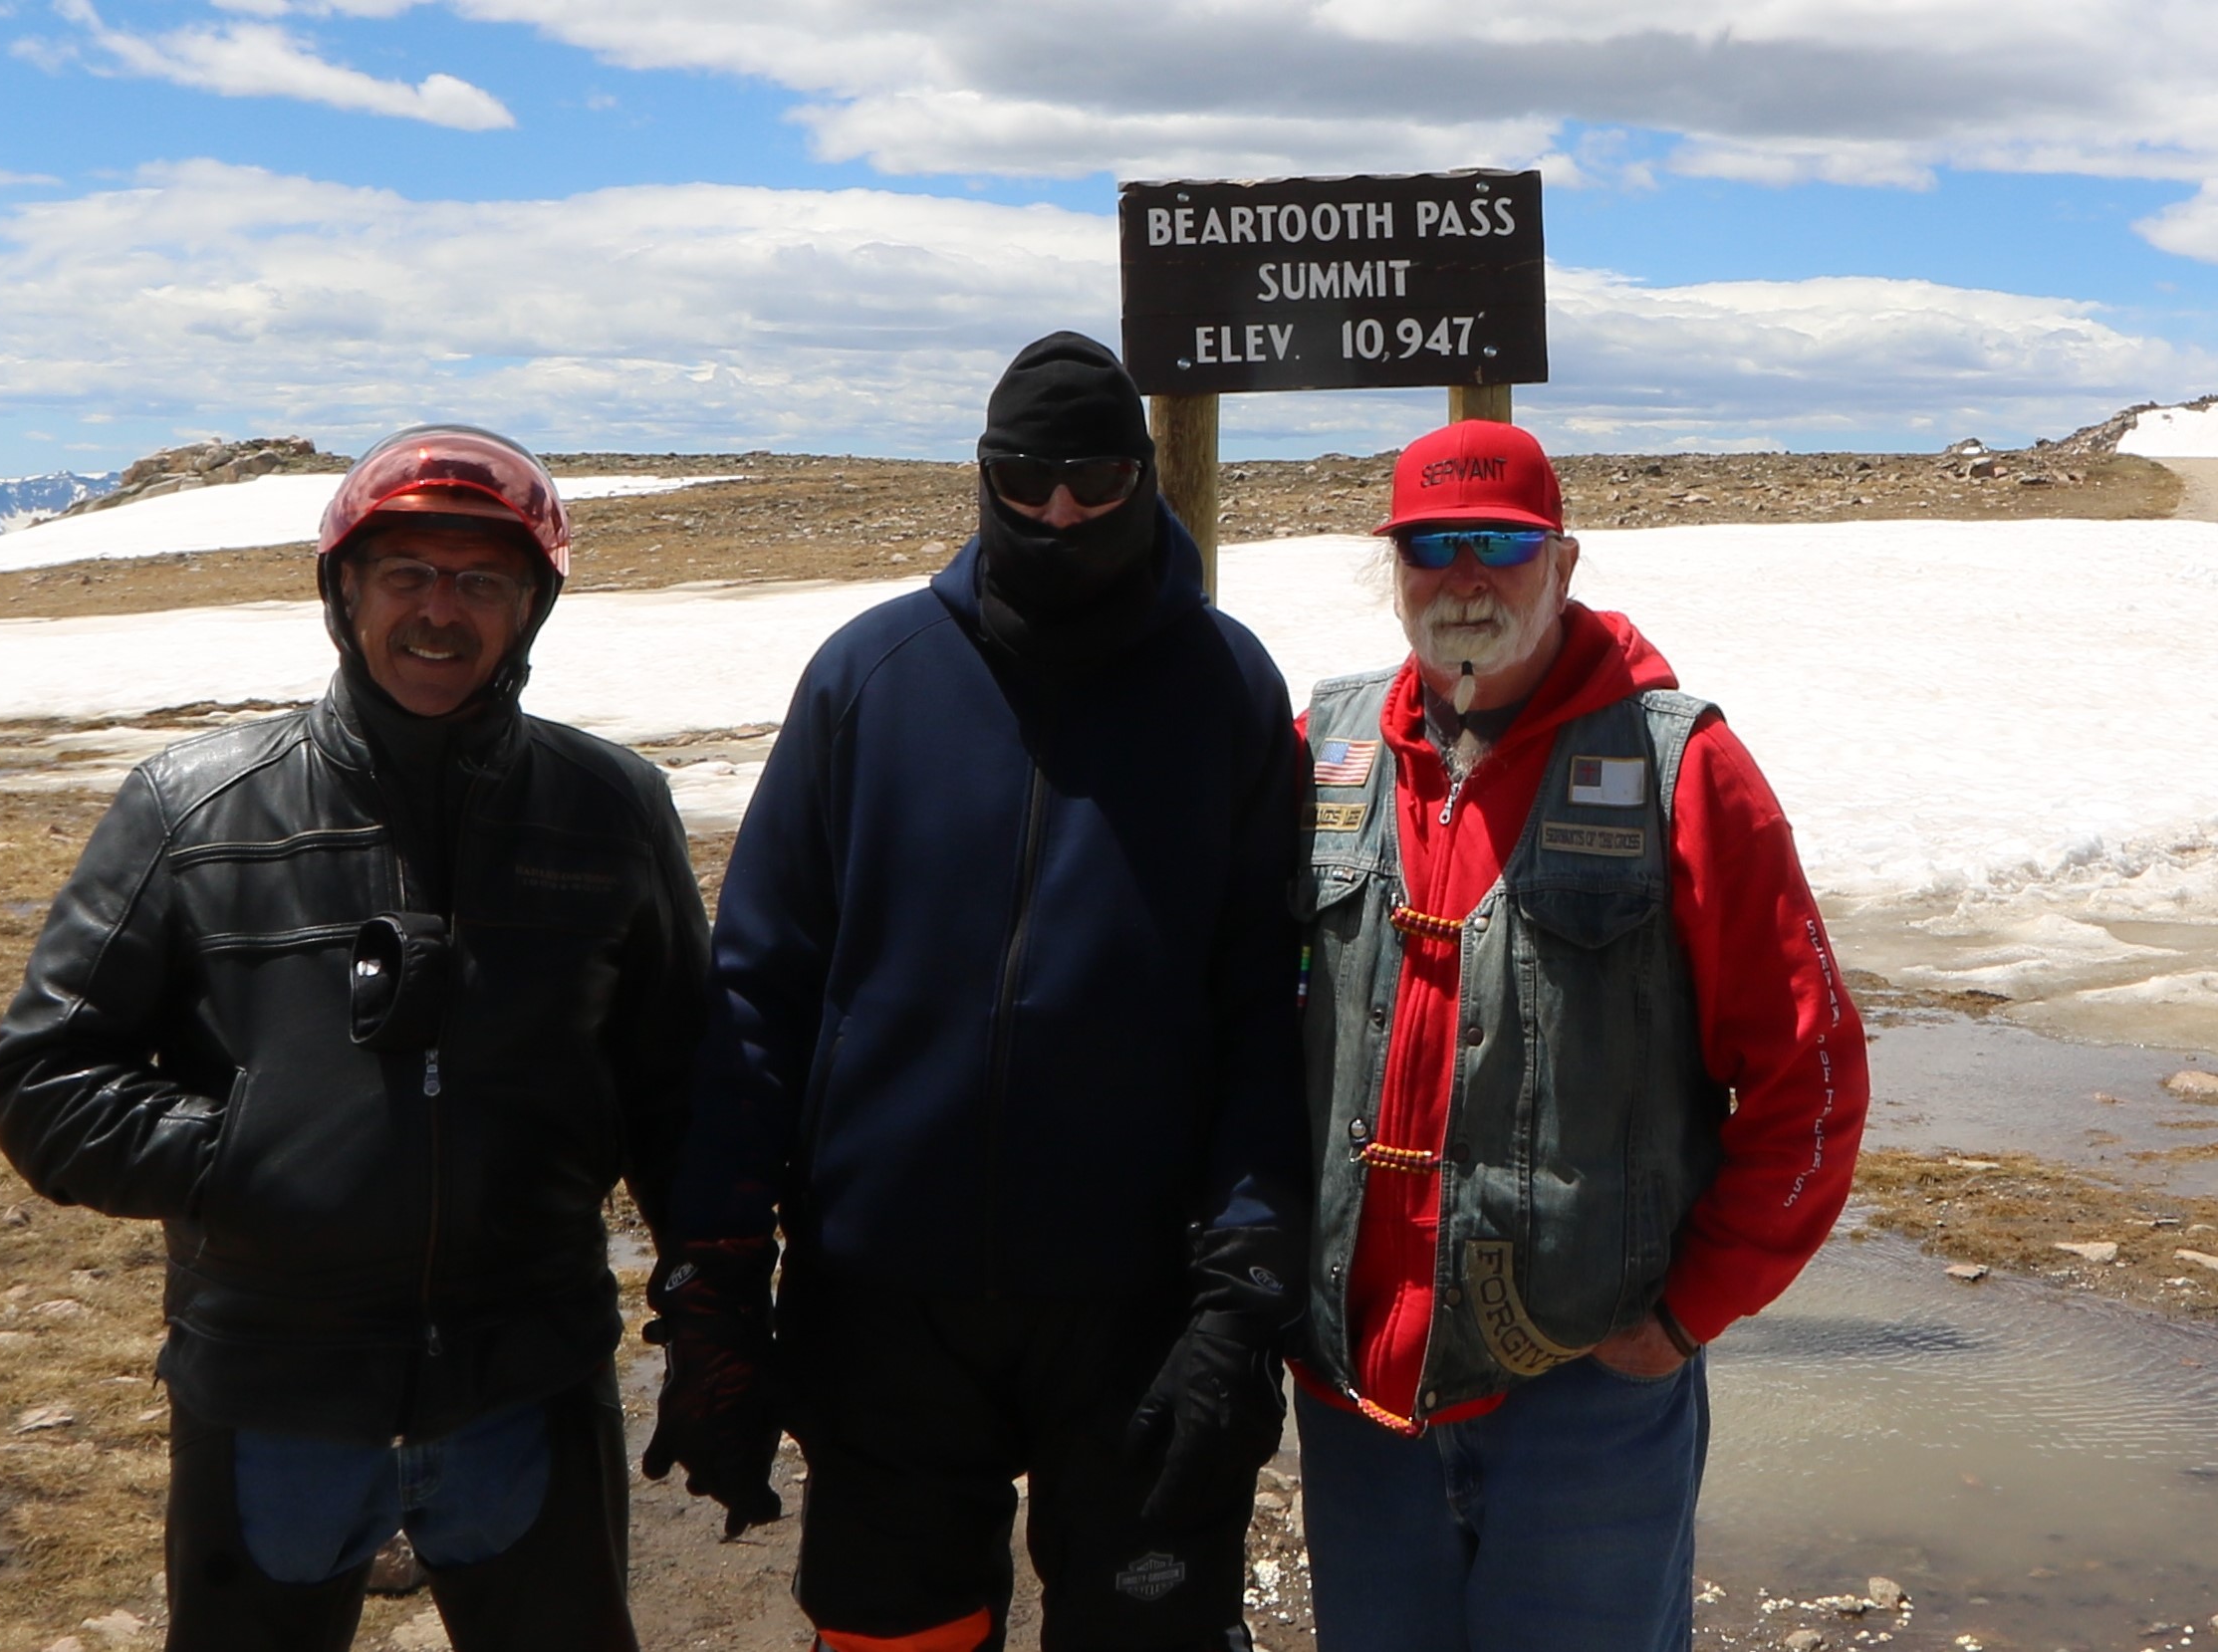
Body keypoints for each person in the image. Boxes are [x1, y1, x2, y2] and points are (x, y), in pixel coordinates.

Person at [0, 424, 708, 1652]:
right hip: (275, 1383)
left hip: (527, 1378)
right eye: (406, 573)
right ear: (345, 592)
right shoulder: (194, 809)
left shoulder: (608, 808)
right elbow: (41, 1078)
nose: (440, 611)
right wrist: (242, 1154)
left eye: (481, 581)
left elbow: (677, 1085)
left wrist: (712, 1298)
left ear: (531, 608)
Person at [641, 333, 1309, 1652]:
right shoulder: (871, 675)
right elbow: (761, 988)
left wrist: (1244, 1289)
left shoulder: (1225, 687)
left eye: (1095, 480)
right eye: (1024, 479)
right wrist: (713, 1281)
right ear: (983, 475)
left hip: (1134, 1301)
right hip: (882, 1300)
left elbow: (1264, 1009)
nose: (1057, 511)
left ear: (1142, 479)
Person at [1289, 419, 1868, 1650]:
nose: (1463, 578)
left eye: (1499, 546)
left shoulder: (1677, 766)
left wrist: (1685, 1315)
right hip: (1357, 1394)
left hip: (1583, 1402)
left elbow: (1808, 1073)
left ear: (1561, 560)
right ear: (1391, 568)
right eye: (1429, 547)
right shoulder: (1327, 751)